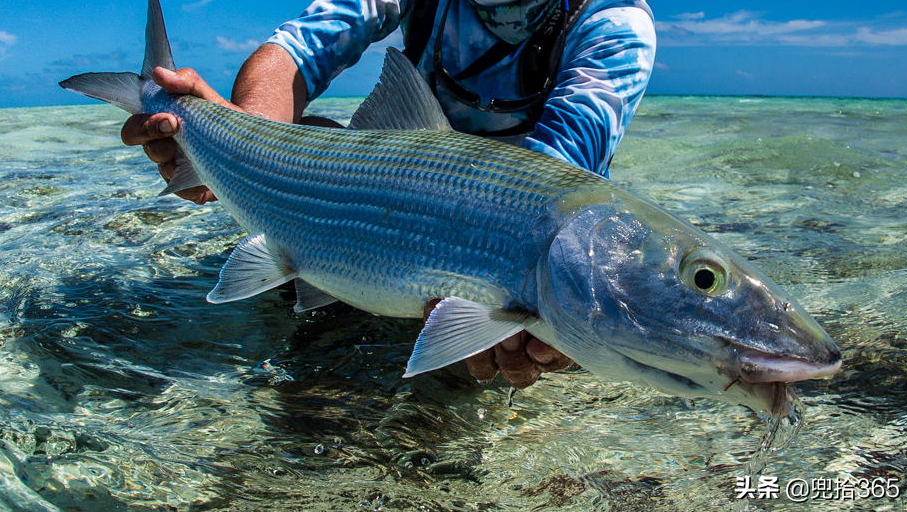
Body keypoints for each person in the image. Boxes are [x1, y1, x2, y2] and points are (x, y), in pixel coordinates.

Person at [121, 0, 656, 389]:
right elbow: (297, 49)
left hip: (508, 215)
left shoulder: (615, 22)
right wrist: (243, 147)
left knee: (519, 357)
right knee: (307, 132)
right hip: (393, 175)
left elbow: (556, 175)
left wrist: (534, 294)